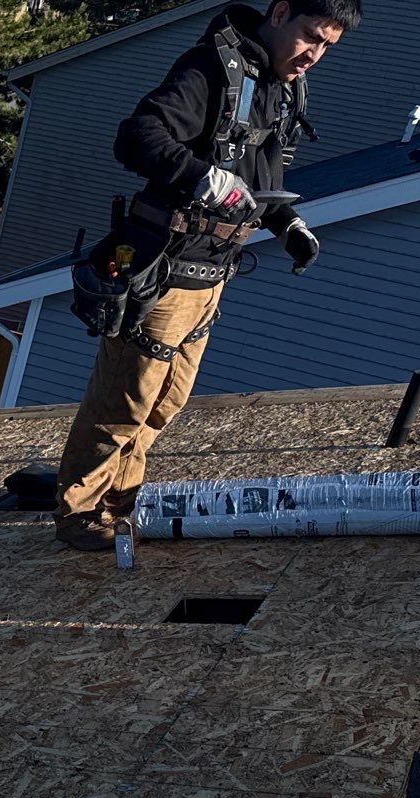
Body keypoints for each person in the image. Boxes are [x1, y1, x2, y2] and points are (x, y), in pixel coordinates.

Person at [54, 0, 359, 552]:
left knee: (165, 402)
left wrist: (286, 221)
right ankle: (79, 514)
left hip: (213, 272)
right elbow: (137, 136)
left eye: (327, 47)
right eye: (310, 36)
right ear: (280, 11)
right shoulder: (210, 69)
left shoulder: (281, 88)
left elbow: (264, 172)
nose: (313, 55)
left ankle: (120, 501)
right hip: (162, 268)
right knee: (123, 402)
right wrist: (201, 177)